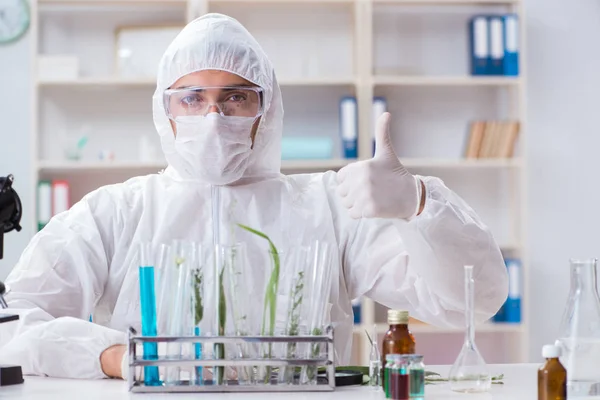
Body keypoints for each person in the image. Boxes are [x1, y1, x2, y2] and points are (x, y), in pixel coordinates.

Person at [0, 13, 508, 380]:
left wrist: (418, 204)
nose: (214, 118)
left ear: (266, 109)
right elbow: (14, 325)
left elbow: (472, 303)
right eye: (193, 98)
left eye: (235, 97)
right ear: (165, 110)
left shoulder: (328, 206)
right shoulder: (114, 212)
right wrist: (111, 356)